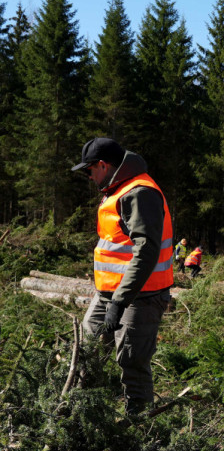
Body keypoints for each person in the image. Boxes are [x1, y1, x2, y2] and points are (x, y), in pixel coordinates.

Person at [72, 137, 173, 416]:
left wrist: (120, 301)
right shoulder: (116, 189)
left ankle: (139, 426)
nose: (88, 177)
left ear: (103, 165)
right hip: (108, 294)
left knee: (131, 360)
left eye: (89, 170)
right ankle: (81, 416)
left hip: (140, 296)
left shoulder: (139, 192)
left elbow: (146, 251)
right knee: (87, 350)